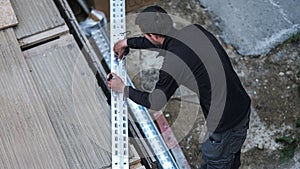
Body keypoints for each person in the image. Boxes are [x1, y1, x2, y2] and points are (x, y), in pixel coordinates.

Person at [108, 5, 251, 169]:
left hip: (226, 126)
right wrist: (127, 42)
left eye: (145, 35)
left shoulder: (174, 63)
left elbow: (155, 101)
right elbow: (164, 42)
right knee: (230, 157)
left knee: (217, 161)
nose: (144, 38)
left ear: (153, 35)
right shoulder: (194, 31)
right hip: (241, 104)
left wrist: (123, 88)